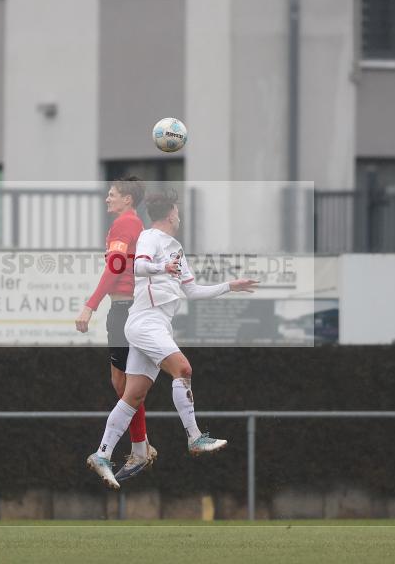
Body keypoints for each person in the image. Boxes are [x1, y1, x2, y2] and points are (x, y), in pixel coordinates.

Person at [86, 190, 259, 489]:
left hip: (156, 324)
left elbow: (192, 291)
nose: (179, 214)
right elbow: (137, 266)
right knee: (184, 369)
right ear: (170, 214)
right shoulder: (151, 237)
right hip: (145, 321)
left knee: (133, 395)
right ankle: (194, 437)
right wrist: (160, 267)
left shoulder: (175, 248)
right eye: (177, 210)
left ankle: (102, 454)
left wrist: (230, 285)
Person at [75, 176, 157, 482]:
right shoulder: (130, 224)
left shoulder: (126, 223)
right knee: (122, 382)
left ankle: (139, 449)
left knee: (126, 385)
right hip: (125, 310)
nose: (107, 198)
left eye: (112, 194)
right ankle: (141, 446)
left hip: (125, 311)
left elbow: (115, 267)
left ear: (127, 199)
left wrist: (90, 304)